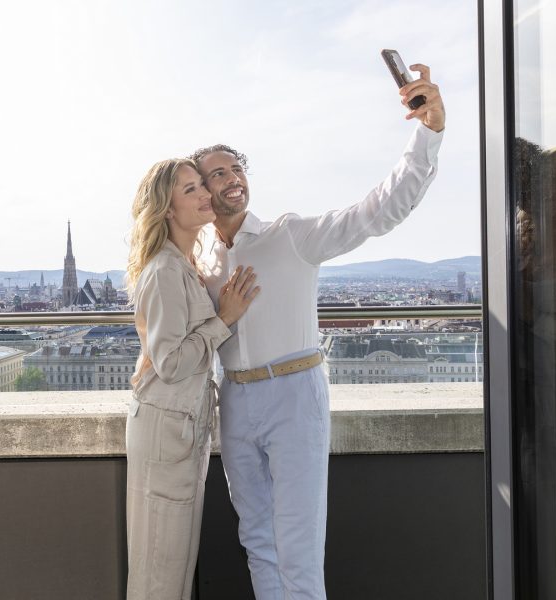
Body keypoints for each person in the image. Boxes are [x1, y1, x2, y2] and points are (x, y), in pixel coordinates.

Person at [190, 64, 446, 599]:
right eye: (217, 173)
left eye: (236, 168)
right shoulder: (203, 260)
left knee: (298, 542)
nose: (233, 178)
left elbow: (375, 212)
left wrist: (427, 133)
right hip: (234, 398)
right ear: (200, 190)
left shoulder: (290, 235)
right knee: (257, 538)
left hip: (294, 392)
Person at [125, 158, 260, 599]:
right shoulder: (166, 270)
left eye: (202, 185)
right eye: (190, 190)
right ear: (167, 209)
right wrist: (225, 319)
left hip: (177, 428)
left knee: (171, 561)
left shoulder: (182, 264)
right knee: (161, 565)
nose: (205, 194)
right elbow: (171, 363)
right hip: (168, 430)